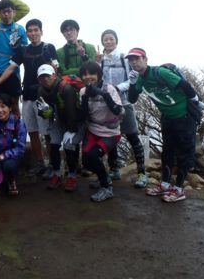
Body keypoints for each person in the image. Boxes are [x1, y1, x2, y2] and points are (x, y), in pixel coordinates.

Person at [126, 47, 203, 203]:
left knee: (184, 153)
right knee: (167, 152)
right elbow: (132, 99)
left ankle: (179, 189)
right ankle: (165, 185)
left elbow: (185, 85)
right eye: (131, 60)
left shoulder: (160, 72)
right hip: (167, 117)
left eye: (137, 58)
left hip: (184, 116)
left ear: (145, 59)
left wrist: (196, 103)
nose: (134, 62)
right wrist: (133, 84)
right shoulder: (139, 79)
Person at [0, 18, 58, 176]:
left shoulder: (48, 48)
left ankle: (52, 165)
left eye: (36, 30)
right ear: (27, 34)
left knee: (47, 133)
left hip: (44, 97)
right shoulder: (23, 50)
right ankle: (40, 163)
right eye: (30, 31)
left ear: (41, 32)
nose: (33, 33)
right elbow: (11, 69)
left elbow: (56, 71)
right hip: (28, 95)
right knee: (32, 131)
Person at [99, 29, 148, 188]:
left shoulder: (123, 58)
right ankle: (114, 170)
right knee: (111, 136)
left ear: (116, 41)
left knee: (132, 135)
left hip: (124, 102)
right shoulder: (101, 60)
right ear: (102, 42)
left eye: (111, 39)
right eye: (105, 39)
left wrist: (117, 88)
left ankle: (142, 173)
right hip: (109, 104)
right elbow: (99, 80)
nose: (108, 42)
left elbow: (133, 79)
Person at [79, 61, 124, 202]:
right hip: (93, 129)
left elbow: (119, 111)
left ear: (99, 74)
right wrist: (85, 98)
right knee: (86, 161)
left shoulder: (109, 88)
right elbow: (83, 115)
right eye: (84, 74)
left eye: (92, 73)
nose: (88, 77)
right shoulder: (82, 91)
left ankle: (107, 187)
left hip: (111, 132)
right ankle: (103, 177)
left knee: (92, 156)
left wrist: (104, 95)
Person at [37, 64, 83, 192]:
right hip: (60, 118)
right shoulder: (41, 90)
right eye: (42, 77)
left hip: (76, 120)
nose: (45, 79)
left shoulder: (66, 88)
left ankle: (72, 176)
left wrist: (71, 130)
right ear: (38, 79)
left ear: (54, 75)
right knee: (54, 144)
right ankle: (57, 174)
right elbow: (43, 113)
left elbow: (71, 111)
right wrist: (45, 112)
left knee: (69, 145)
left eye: (47, 75)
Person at [0, 0, 28, 117]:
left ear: (14, 12)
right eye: (3, 12)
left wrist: (18, 47)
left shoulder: (20, 29)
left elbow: (25, 51)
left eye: (9, 11)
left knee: (14, 104)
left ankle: (17, 128)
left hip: (13, 72)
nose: (6, 14)